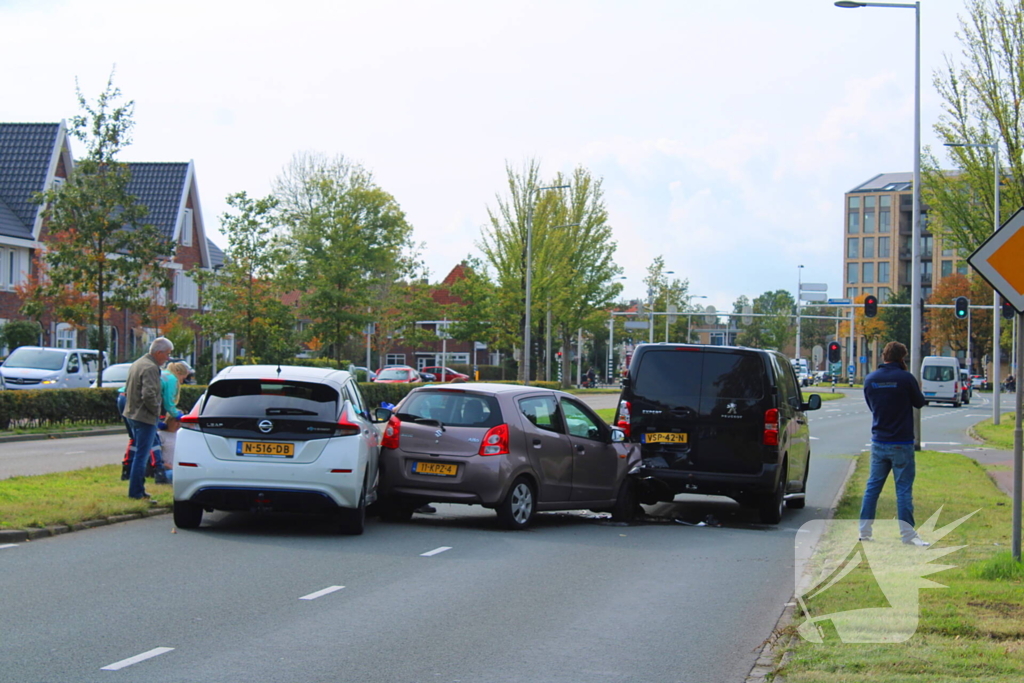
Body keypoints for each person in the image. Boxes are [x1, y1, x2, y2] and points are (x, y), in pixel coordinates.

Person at [859, 341, 929, 546]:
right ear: (902, 358)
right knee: (904, 490)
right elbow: (919, 402)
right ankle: (907, 535)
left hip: (879, 441)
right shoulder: (906, 379)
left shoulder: (870, 379)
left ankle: (864, 531)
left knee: (872, 487)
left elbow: (872, 406)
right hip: (902, 442)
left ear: (883, 356)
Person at [123, 337, 174, 500]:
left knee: (138, 453)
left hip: (132, 414)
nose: (168, 358)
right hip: (144, 417)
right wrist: (156, 411)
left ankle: (137, 490)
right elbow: (149, 394)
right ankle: (136, 492)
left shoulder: (138, 363)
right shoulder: (151, 368)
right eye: (167, 354)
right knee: (142, 456)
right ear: (158, 352)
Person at [154, 361, 189, 484]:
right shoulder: (171, 379)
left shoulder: (163, 374)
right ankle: (158, 473)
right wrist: (180, 416)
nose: (182, 382)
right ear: (178, 373)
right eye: (183, 378)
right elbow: (169, 403)